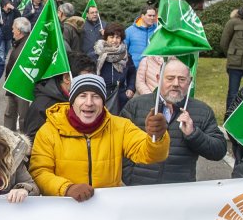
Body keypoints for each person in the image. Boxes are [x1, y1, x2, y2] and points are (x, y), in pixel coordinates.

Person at [29, 74, 169, 198]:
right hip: (65, 212)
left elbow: (151, 155)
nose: (89, 102)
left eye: (96, 96)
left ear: (103, 102)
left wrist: (156, 137)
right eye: (82, 96)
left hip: (107, 213)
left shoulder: (121, 126)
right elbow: (39, 172)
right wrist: (67, 188)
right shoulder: (49, 131)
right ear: (73, 101)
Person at [120, 59, 226, 185]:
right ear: (159, 78)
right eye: (170, 78)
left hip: (180, 191)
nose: (176, 84)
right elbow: (118, 144)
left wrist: (193, 134)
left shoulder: (202, 111)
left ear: (190, 82)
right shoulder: (136, 105)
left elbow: (219, 150)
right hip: (138, 188)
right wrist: (129, 175)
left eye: (182, 79)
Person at [94, 23, 135, 113]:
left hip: (120, 97)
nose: (114, 40)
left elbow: (132, 73)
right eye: (111, 37)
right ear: (106, 38)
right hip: (101, 96)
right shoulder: (97, 54)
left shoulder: (126, 55)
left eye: (117, 37)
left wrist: (130, 88)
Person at [4, 17, 32, 131]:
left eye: (13, 29)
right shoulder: (22, 42)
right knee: (9, 113)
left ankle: (24, 141)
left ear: (19, 31)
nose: (12, 31)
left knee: (23, 117)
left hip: (21, 88)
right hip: (13, 86)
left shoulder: (26, 46)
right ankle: (8, 137)